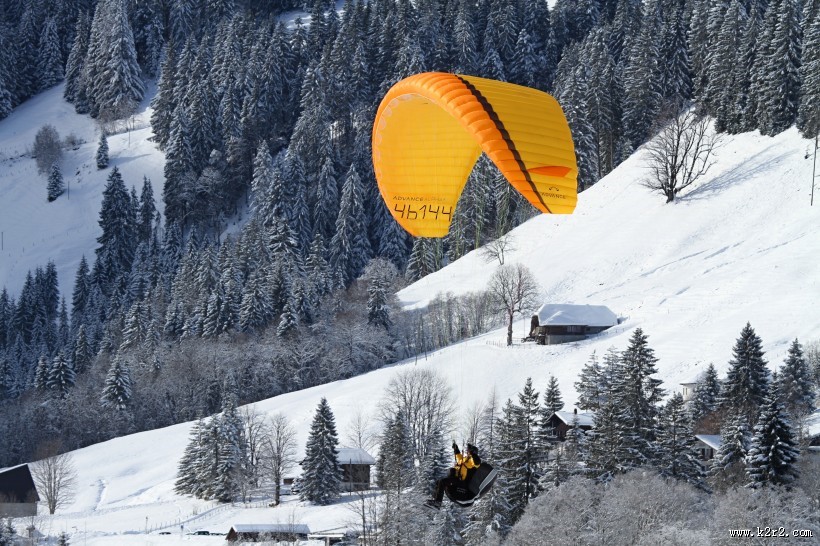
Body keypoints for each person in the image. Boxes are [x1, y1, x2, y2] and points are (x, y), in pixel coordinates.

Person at [425, 442, 481, 509]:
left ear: (472, 452)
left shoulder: (472, 462)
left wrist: (473, 454)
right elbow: (459, 457)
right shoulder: (465, 459)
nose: (467, 452)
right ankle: (435, 500)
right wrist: (456, 449)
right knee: (439, 482)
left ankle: (438, 502)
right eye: (468, 451)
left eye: (469, 451)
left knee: (443, 482)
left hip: (462, 483)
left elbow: (477, 462)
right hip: (457, 480)